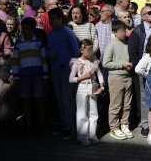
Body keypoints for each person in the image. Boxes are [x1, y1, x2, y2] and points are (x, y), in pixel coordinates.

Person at [128, 6, 151, 137]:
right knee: (145, 97)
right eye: (149, 12)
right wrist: (140, 66)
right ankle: (145, 124)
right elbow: (132, 51)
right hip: (145, 67)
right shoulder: (138, 30)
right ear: (142, 16)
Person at [47, 8, 80, 140]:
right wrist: (49, 55)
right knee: (59, 99)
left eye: (54, 19)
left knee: (67, 100)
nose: (51, 22)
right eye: (50, 19)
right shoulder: (50, 34)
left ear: (61, 19)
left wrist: (73, 68)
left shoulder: (68, 32)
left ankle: (70, 126)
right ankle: (63, 122)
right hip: (55, 70)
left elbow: (75, 52)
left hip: (67, 71)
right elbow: (49, 50)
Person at [11, 17, 48, 133]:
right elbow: (15, 61)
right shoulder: (18, 44)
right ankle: (28, 124)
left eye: (28, 28)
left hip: (38, 75)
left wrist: (45, 76)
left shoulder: (38, 42)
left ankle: (42, 123)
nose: (25, 31)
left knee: (39, 99)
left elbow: (44, 60)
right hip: (24, 76)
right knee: (26, 100)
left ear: (33, 29)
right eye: (23, 29)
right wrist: (16, 77)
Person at [69, 39, 105, 146]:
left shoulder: (93, 61)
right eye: (88, 50)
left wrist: (101, 87)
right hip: (82, 88)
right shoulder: (77, 63)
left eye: (91, 49)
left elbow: (99, 74)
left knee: (93, 113)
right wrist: (82, 77)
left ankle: (92, 135)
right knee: (82, 113)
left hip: (92, 88)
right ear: (81, 50)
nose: (91, 52)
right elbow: (71, 79)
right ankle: (82, 137)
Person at [102, 21, 134, 140]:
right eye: (121, 31)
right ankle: (114, 128)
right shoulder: (111, 45)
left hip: (127, 77)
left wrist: (129, 66)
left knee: (127, 104)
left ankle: (124, 124)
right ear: (114, 32)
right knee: (116, 104)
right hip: (116, 78)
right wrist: (122, 64)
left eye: (125, 30)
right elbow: (105, 63)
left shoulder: (127, 44)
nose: (124, 32)